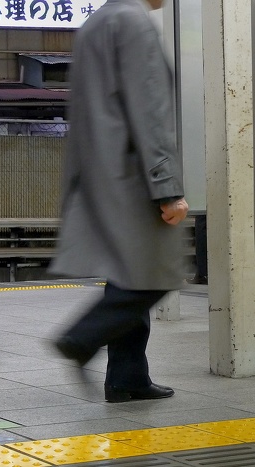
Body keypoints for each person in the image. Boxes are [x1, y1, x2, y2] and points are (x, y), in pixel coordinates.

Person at [48, 0, 190, 403]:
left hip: (100, 173)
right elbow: (150, 112)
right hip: (135, 176)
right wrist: (167, 187)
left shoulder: (97, 22)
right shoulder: (133, 22)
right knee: (154, 279)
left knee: (129, 276)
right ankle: (80, 339)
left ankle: (128, 377)